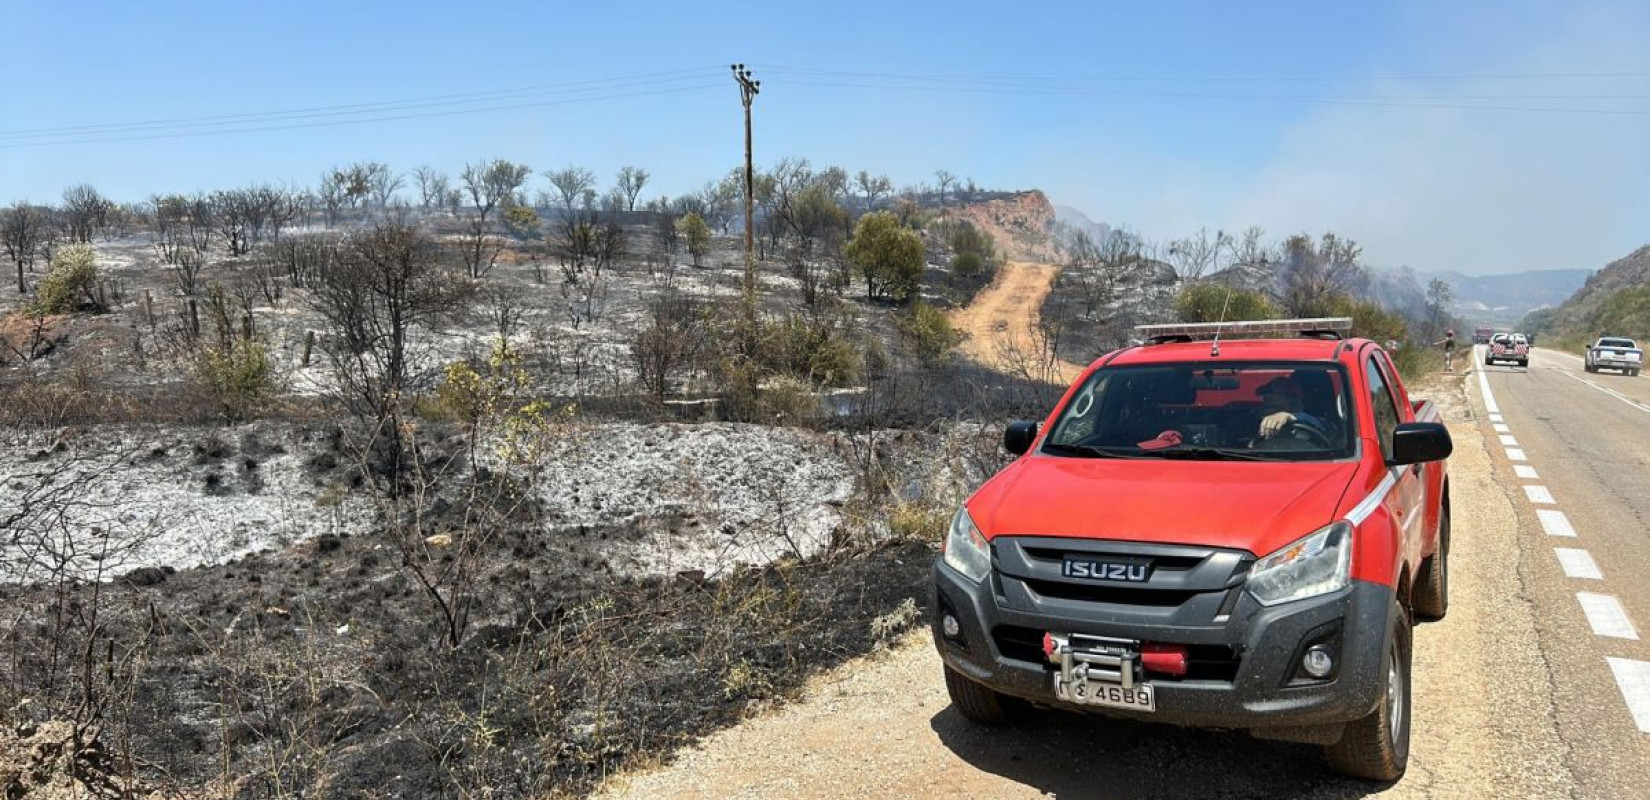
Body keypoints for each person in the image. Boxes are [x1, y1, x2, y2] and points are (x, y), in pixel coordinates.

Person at [1256, 375, 1332, 440]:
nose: (1270, 413)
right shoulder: (1255, 420)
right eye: (1267, 407)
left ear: (1296, 403)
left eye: (1276, 407)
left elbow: (1323, 427)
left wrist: (1290, 417)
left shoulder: (1311, 421)